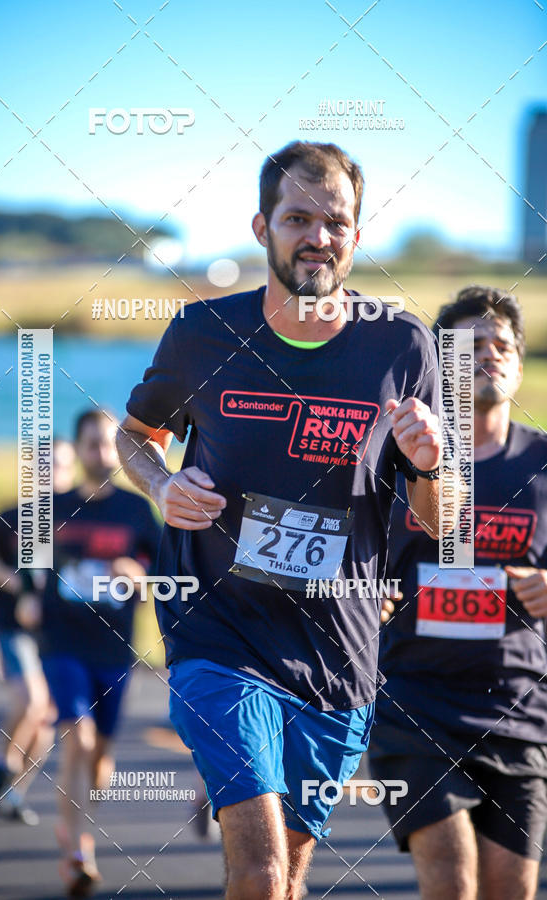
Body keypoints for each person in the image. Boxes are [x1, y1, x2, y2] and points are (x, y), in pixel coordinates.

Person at [116, 140, 453, 899]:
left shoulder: (402, 345)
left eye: (335, 220)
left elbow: (440, 520)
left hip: (340, 652)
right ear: (262, 226)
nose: (317, 236)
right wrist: (159, 486)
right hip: (219, 634)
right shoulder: (204, 333)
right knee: (262, 868)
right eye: (297, 217)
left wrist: (431, 465)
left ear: (357, 236)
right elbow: (134, 439)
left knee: (291, 871)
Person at [370, 286, 547, 900]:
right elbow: (344, 559)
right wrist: (365, 595)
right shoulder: (394, 458)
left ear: (520, 365)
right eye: (472, 345)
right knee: (452, 881)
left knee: (512, 892)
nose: (490, 354)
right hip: (415, 705)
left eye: (502, 345)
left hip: (518, 712)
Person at [40, 409, 161, 897]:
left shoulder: (136, 512)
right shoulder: (51, 508)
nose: (101, 453)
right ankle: (78, 850)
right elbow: (15, 560)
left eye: (109, 444)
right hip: (61, 643)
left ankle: (76, 821)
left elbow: (165, 579)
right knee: (79, 738)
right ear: (79, 448)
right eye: (91, 444)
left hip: (113, 648)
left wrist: (140, 576)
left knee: (101, 761)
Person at [0, 437, 77, 823]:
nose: (56, 473)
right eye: (48, 466)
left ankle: (13, 791)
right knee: (33, 702)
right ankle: (2, 765)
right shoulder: (13, 515)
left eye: (63, 466)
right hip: (12, 625)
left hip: (56, 632)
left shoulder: (77, 521)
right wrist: (17, 586)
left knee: (48, 722)